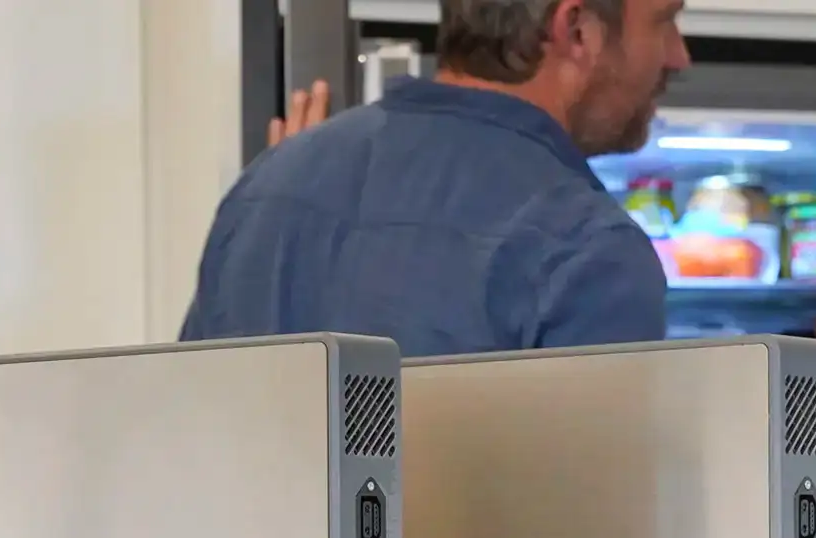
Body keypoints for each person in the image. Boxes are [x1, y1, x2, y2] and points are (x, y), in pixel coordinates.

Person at [177, 0, 688, 355]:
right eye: (664, 21)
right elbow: (598, 484)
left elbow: (188, 444)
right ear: (576, 30)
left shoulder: (265, 188)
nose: (678, 56)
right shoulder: (589, 248)